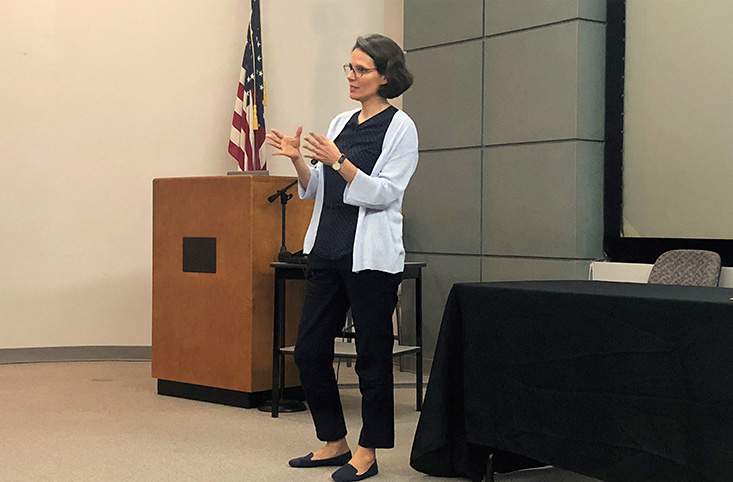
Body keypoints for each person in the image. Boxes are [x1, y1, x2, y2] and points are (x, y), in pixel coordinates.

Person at [265, 34, 418, 482]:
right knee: (310, 350)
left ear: (386, 76)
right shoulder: (340, 121)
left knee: (372, 356)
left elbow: (386, 194)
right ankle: (334, 441)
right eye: (348, 68)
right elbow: (317, 187)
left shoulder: (400, 128)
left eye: (361, 70)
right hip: (327, 250)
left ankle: (368, 452)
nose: (351, 77)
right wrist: (299, 162)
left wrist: (341, 162)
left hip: (370, 259)